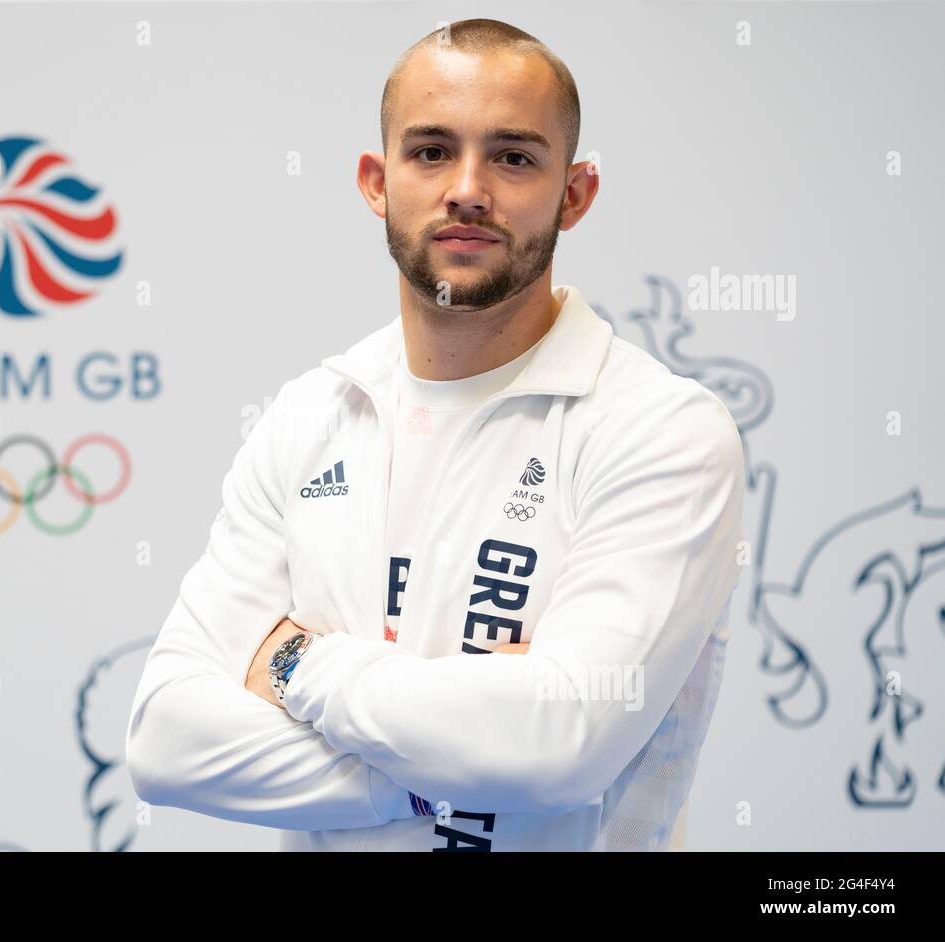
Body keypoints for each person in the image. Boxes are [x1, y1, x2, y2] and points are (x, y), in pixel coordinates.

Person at [125, 18, 745, 851]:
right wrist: (436, 771)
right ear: (377, 182)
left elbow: (559, 746)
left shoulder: (660, 430)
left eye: (514, 156)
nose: (467, 189)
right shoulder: (311, 416)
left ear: (576, 193)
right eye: (431, 151)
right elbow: (165, 740)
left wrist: (297, 666)